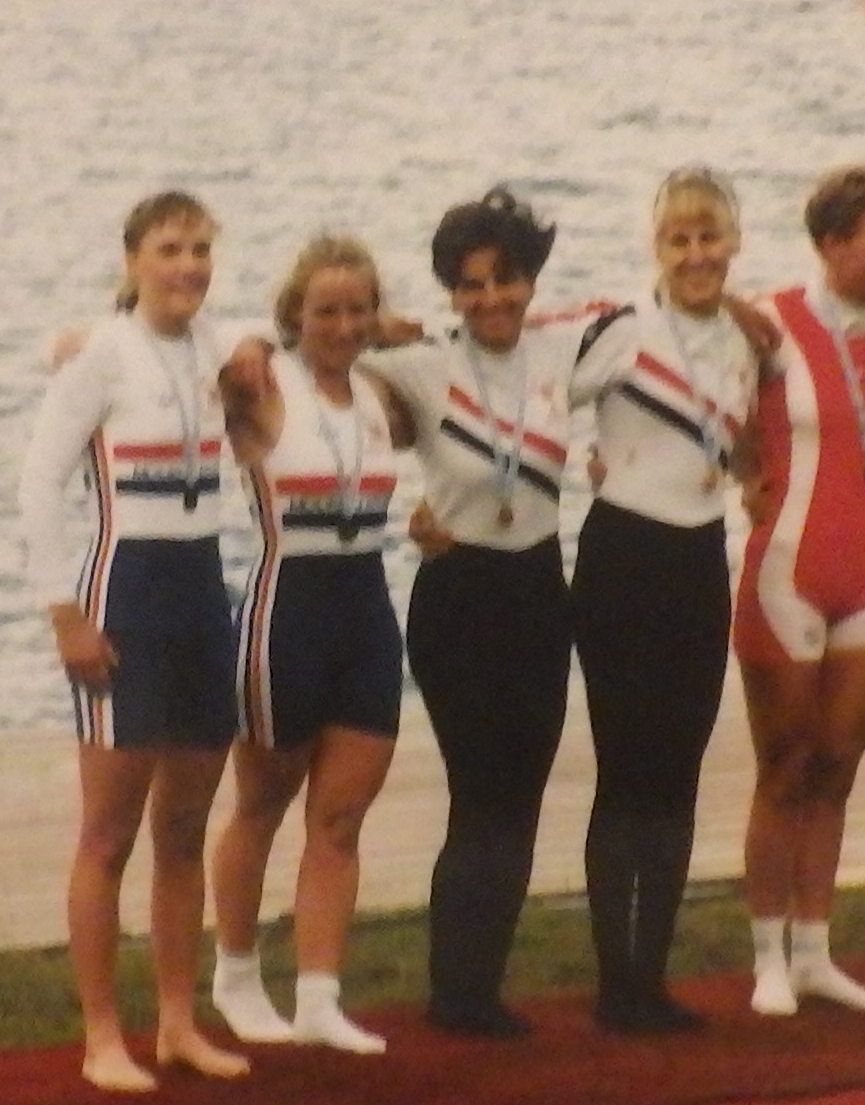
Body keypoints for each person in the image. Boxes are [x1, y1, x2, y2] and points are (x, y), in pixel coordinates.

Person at [367, 187, 612, 1038]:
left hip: (542, 594)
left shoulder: (562, 347)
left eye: (505, 280)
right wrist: (382, 327)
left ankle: (486, 985)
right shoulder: (422, 361)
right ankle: (455, 990)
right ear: (449, 293)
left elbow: (650, 325)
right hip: (457, 597)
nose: (491, 300)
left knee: (523, 795)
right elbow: (298, 347)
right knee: (478, 796)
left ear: (531, 279)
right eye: (470, 286)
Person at [17, 191, 249, 1092]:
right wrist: (62, 612)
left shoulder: (214, 345)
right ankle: (101, 1033)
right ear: (133, 260)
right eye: (169, 249)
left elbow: (275, 336)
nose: (187, 264)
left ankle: (180, 1022)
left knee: (185, 828)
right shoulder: (104, 357)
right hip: (125, 596)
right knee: (109, 834)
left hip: (201, 592)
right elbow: (39, 482)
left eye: (199, 249)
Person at [566, 167, 759, 1034]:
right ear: (656, 247)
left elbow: (753, 441)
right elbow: (526, 389)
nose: (695, 254)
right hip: (622, 559)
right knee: (625, 771)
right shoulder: (620, 329)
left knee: (679, 776)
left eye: (709, 236)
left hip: (699, 559)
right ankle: (614, 982)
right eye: (679, 239)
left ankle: (653, 976)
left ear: (733, 243)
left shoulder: (745, 341)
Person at [207, 236, 404, 1053]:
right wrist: (251, 334)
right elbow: (168, 341)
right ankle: (237, 974)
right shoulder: (261, 384)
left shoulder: (378, 393)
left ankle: (320, 994)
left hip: (366, 615)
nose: (344, 323)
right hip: (284, 613)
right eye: (326, 309)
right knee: (261, 804)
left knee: (341, 817)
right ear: (296, 315)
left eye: (359, 308)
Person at [733, 165, 865, 1018]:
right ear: (834, 244)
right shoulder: (768, 322)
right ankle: (767, 952)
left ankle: (816, 951)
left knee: (837, 766)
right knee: (785, 765)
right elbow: (695, 386)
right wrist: (742, 475)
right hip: (788, 571)